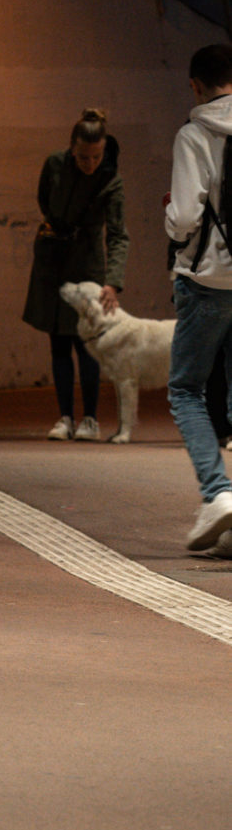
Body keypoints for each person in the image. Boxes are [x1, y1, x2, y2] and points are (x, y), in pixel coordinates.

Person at [22, 108, 130, 440]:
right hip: (53, 259)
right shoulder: (54, 165)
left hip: (88, 265)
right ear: (72, 148)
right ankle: (65, 417)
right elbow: (45, 201)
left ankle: (91, 419)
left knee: (87, 343)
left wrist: (112, 282)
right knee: (58, 340)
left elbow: (117, 235)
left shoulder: (111, 180)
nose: (90, 163)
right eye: (83, 156)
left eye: (96, 156)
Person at [166, 43, 232, 555]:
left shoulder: (193, 135)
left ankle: (219, 495)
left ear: (195, 85)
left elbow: (186, 217)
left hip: (207, 279)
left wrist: (170, 220)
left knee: (186, 390)